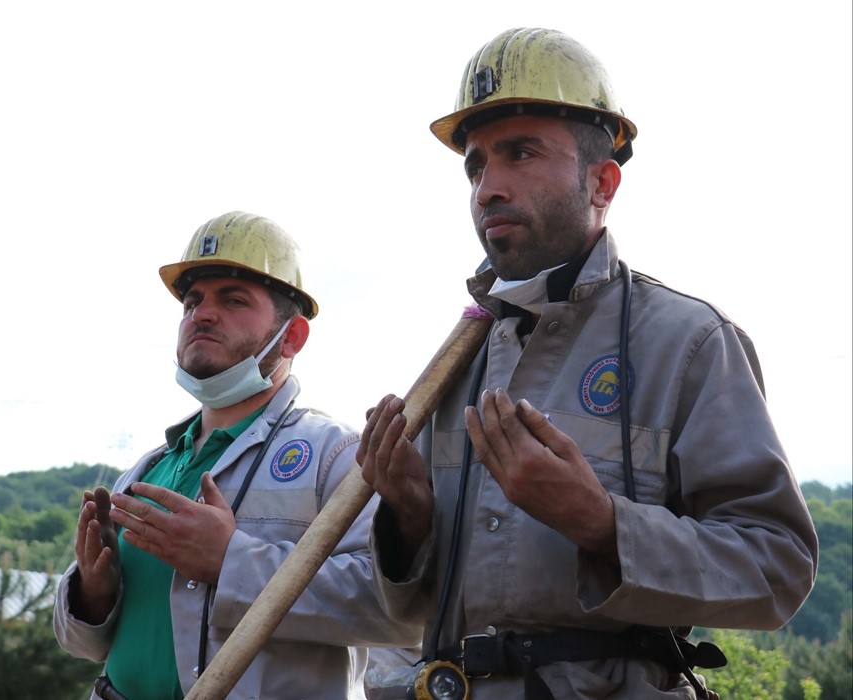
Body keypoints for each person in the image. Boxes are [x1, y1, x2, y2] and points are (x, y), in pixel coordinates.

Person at [357, 28, 818, 700]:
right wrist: (410, 521)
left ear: (602, 181)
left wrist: (600, 522)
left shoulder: (689, 343)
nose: (488, 188)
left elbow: (779, 570)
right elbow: (409, 612)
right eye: (477, 165)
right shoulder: (452, 363)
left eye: (520, 153)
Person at [54, 211, 420, 699]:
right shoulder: (148, 469)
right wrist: (91, 596)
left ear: (291, 336)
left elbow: (400, 613)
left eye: (233, 300)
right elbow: (81, 644)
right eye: (192, 302)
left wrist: (231, 563)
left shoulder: (336, 456)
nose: (201, 315)